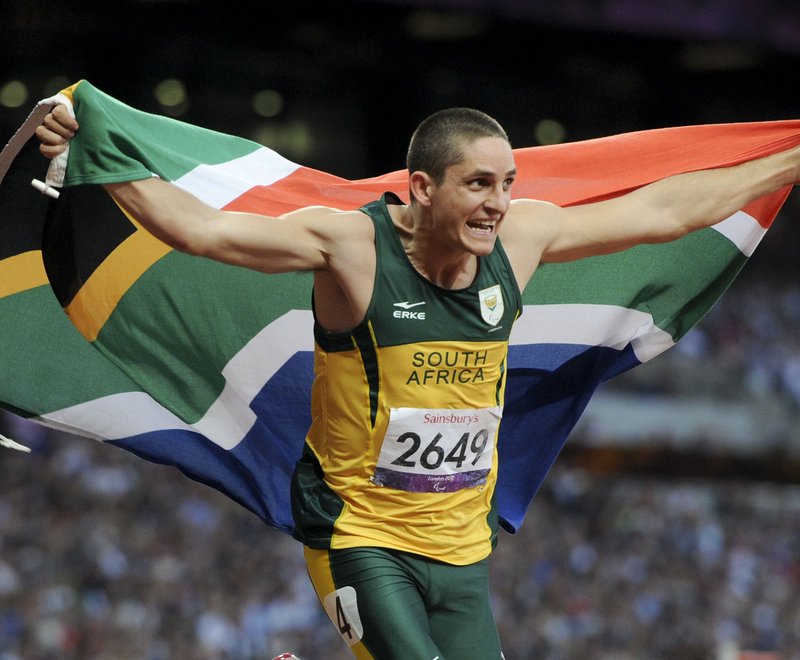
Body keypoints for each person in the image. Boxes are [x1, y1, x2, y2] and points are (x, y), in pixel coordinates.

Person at [36, 103, 800, 660]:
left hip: (461, 549)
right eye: (479, 183)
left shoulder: (522, 236)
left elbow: (663, 212)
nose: (498, 203)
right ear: (424, 188)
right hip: (359, 536)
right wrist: (102, 154)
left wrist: (788, 162)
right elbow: (204, 232)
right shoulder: (351, 248)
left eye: (507, 183)